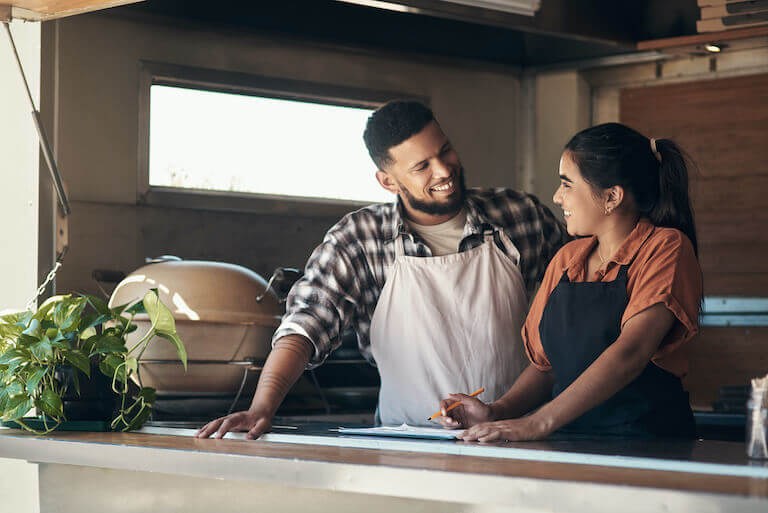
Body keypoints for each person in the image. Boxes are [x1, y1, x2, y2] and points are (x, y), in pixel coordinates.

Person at [196, 100, 568, 439]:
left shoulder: (519, 215)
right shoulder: (359, 238)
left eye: (445, 151)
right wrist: (263, 406)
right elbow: (307, 324)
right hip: (408, 443)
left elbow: (578, 302)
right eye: (422, 166)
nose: (443, 170)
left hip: (519, 436)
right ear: (388, 181)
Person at [438, 123, 703, 440]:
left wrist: (539, 422)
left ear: (612, 197)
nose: (557, 197)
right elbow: (546, 368)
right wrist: (496, 411)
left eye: (567, 184)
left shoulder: (665, 248)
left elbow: (632, 351)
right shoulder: (567, 259)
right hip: (573, 442)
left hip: (649, 445)